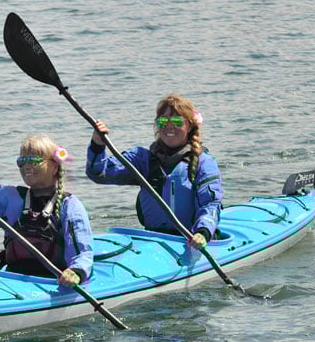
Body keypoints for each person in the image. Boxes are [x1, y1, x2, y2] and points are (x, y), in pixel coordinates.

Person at [85, 94, 222, 248]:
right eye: (163, 121)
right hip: (152, 238)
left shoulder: (204, 163)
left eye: (177, 121)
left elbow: (210, 205)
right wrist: (97, 144)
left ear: (190, 126)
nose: (169, 126)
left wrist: (202, 232)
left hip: (191, 239)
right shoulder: (141, 159)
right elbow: (98, 174)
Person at [0, 135, 94, 286]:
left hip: (53, 281)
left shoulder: (70, 206)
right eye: (22, 161)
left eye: (34, 160)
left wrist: (77, 271)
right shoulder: (8, 197)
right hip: (13, 279)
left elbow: (82, 252)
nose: (27, 166)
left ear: (54, 166)